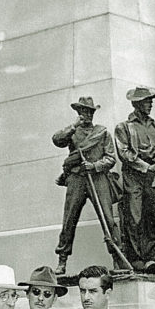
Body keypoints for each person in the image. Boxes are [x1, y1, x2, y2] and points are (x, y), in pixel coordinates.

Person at [52, 95, 120, 276]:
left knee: (108, 219)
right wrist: (73, 126)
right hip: (76, 178)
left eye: (90, 111)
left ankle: (117, 257)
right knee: (69, 220)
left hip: (97, 178)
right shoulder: (72, 132)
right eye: (83, 111)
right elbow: (57, 140)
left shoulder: (102, 132)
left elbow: (111, 158)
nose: (87, 115)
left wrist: (95, 166)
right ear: (78, 113)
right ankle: (62, 260)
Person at [115, 86, 155, 266]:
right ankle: (135, 258)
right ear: (136, 104)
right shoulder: (124, 127)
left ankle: (150, 255)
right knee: (134, 216)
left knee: (152, 216)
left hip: (152, 177)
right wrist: (147, 167)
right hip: (134, 176)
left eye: (151, 101)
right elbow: (125, 154)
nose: (150, 104)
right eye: (147, 101)